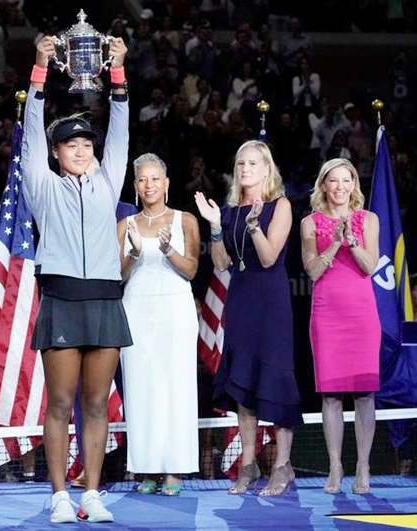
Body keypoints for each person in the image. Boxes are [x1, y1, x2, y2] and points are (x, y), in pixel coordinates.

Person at [22, 35, 130, 524]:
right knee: (60, 403)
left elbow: (122, 131)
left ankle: (91, 492)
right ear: (57, 151)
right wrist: (41, 69)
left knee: (96, 404)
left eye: (88, 144)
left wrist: (120, 72)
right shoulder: (42, 187)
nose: (82, 150)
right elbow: (30, 134)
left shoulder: (109, 183)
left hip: (105, 301)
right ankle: (60, 495)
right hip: (62, 298)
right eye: (72, 144)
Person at [194, 140, 302, 497]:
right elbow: (222, 262)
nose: (245, 169)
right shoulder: (230, 209)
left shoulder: (280, 205)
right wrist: (213, 227)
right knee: (242, 385)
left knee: (275, 380)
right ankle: (249, 464)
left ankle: (283, 466)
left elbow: (270, 258)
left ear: (266, 170)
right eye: (240, 163)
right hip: (239, 299)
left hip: (270, 302)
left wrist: (255, 226)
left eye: (252, 163)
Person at [118, 153, 200, 496]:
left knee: (176, 388)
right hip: (136, 311)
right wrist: (135, 252)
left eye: (155, 178)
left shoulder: (185, 220)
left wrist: (167, 250)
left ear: (166, 183)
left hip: (176, 312)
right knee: (141, 389)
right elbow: (117, 276)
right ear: (136, 186)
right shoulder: (125, 225)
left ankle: (174, 470)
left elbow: (191, 269)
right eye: (142, 179)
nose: (149, 185)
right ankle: (146, 469)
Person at [300, 158, 381, 494]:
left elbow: (370, 266)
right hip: (327, 315)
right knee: (331, 396)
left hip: (361, 315)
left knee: (364, 396)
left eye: (345, 181)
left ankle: (363, 467)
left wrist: (351, 240)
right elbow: (313, 271)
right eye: (333, 181)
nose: (339, 187)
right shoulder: (309, 223)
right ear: (324, 185)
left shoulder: (369, 219)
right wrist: (333, 241)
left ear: (353, 185)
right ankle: (335, 466)